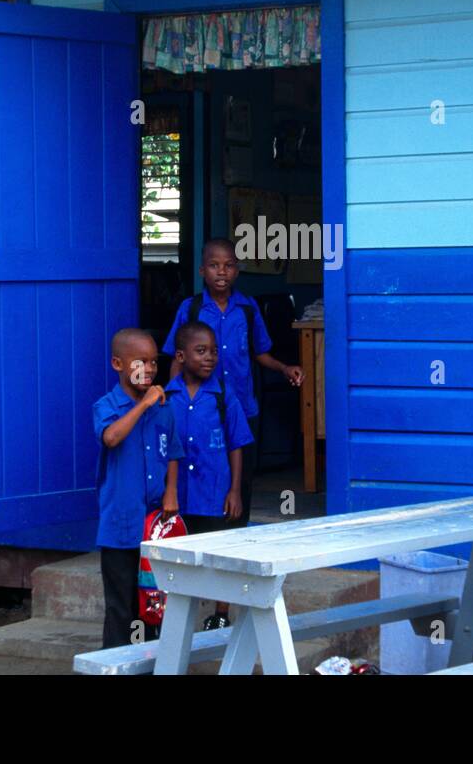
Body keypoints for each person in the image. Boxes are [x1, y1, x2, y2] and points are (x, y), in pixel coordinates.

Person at [163, 238, 303, 526]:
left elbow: (259, 353)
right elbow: (176, 359)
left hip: (242, 406)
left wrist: (284, 367)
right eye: (214, 266)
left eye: (228, 266)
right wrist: (171, 400)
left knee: (241, 478)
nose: (221, 272)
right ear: (202, 271)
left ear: (237, 271)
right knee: (200, 468)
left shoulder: (247, 309)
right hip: (200, 408)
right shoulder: (191, 310)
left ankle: (238, 538)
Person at [91, 327, 182, 649]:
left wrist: (171, 492)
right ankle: (117, 664)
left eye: (154, 361)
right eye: (140, 362)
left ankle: (155, 665)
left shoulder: (164, 408)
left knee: (155, 603)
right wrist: (142, 405)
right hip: (120, 524)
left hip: (155, 524)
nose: (150, 369)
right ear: (118, 364)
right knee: (121, 606)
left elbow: (173, 451)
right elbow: (111, 438)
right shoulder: (106, 406)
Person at [166, 320, 254, 629]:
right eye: (200, 351)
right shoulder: (165, 397)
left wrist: (235, 491)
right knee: (179, 556)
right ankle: (175, 615)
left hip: (214, 491)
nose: (209, 358)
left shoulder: (223, 396)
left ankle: (221, 614)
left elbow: (237, 444)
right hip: (178, 496)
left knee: (219, 554)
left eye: (214, 352)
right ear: (180, 356)